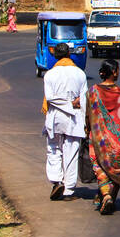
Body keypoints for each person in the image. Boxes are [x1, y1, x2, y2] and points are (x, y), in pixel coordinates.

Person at [86, 60, 120, 215]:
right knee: (118, 169)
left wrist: (88, 130)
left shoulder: (93, 92)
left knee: (99, 166)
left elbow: (88, 116)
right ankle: (110, 197)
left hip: (99, 140)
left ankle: (106, 195)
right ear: (114, 72)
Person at [42, 42, 88, 200]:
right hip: (74, 117)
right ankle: (68, 190)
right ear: (69, 54)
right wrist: (72, 105)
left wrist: (65, 104)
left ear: (55, 55)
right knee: (71, 151)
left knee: (53, 149)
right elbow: (84, 99)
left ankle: (56, 182)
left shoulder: (50, 74)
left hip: (55, 116)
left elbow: (49, 98)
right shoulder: (80, 74)